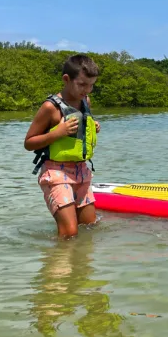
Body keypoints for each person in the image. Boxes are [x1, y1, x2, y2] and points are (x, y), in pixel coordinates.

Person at [24, 54, 102, 239]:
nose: (87, 90)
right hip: (57, 174)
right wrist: (57, 133)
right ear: (66, 79)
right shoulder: (50, 108)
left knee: (90, 227)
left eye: (91, 85)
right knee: (69, 233)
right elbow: (29, 142)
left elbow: (80, 128)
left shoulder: (86, 102)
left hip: (82, 172)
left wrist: (92, 125)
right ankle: (57, 263)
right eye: (82, 84)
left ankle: (81, 267)